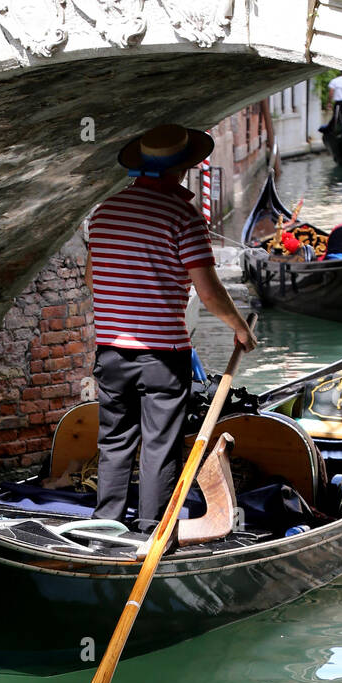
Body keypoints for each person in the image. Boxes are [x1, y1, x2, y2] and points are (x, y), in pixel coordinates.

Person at [84, 125, 257, 535]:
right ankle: (149, 532)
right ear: (183, 168)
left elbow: (94, 279)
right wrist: (240, 329)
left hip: (111, 351)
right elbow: (210, 293)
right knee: (159, 447)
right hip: (162, 355)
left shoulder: (105, 213)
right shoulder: (183, 217)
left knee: (114, 441)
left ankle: (106, 523)